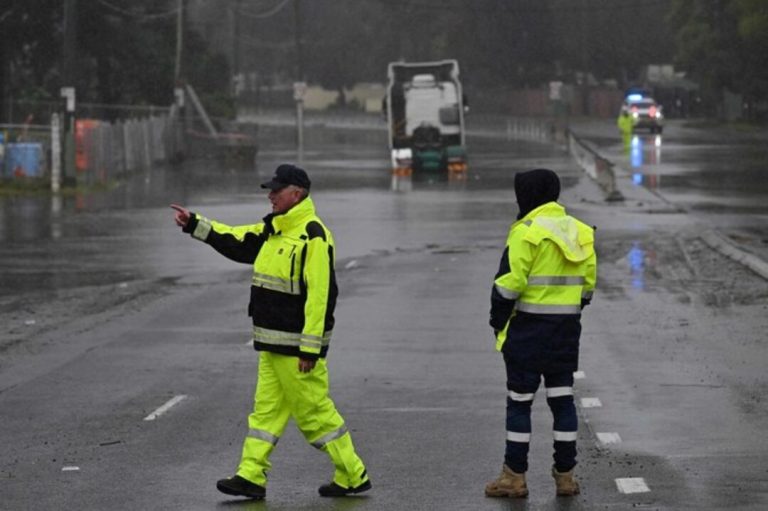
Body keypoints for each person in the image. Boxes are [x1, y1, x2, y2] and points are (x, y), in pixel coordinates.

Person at [170, 164, 371, 500]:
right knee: (265, 414)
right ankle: (250, 476)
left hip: (296, 350)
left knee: (315, 417)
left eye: (276, 191)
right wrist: (195, 225)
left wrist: (310, 349)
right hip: (271, 343)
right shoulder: (274, 229)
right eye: (270, 191)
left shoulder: (313, 235)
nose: (270, 196)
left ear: (297, 193)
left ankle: (353, 473)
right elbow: (236, 240)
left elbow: (321, 296)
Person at [484, 168, 596, 498]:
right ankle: (565, 478)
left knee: (519, 403)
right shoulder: (580, 231)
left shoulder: (526, 231)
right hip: (564, 334)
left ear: (528, 195)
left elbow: (508, 286)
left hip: (526, 335)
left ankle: (514, 478)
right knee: (563, 402)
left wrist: (497, 321)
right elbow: (587, 289)